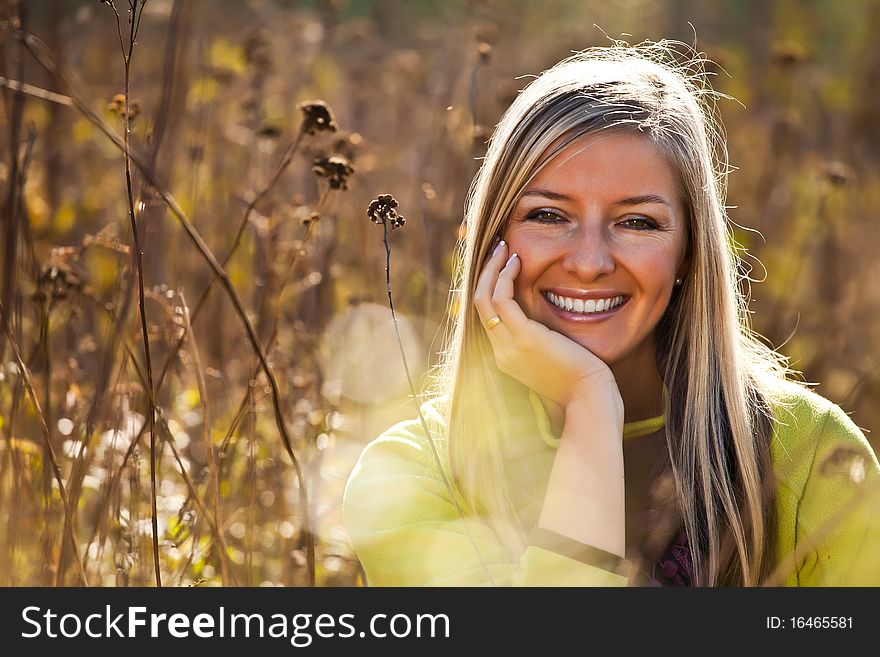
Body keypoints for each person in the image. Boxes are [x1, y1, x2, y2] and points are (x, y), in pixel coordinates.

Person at [342, 41, 880, 586]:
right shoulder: (410, 474)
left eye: (638, 222)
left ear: (689, 252)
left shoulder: (810, 455)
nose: (590, 262)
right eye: (548, 215)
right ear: (494, 239)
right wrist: (590, 404)